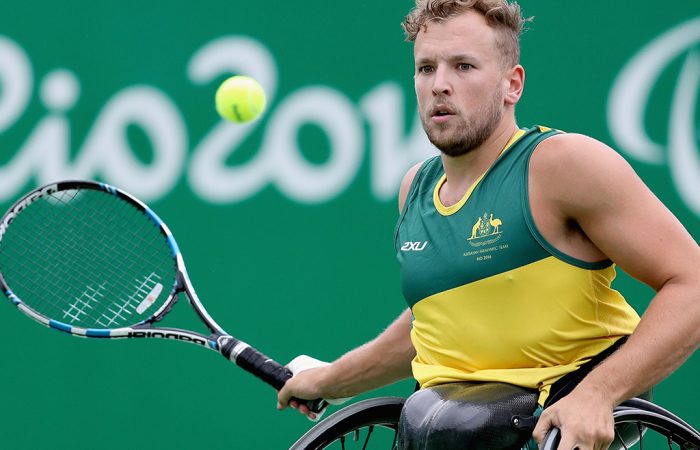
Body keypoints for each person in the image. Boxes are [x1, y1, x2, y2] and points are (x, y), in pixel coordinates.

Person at [277, 0, 700, 448]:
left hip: (560, 411)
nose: (440, 85)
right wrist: (331, 379)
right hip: (447, 419)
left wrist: (599, 393)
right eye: (426, 69)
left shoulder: (562, 165)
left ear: (511, 84)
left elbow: (692, 282)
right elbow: (434, 327)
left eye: (463, 66)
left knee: (458, 422)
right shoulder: (414, 190)